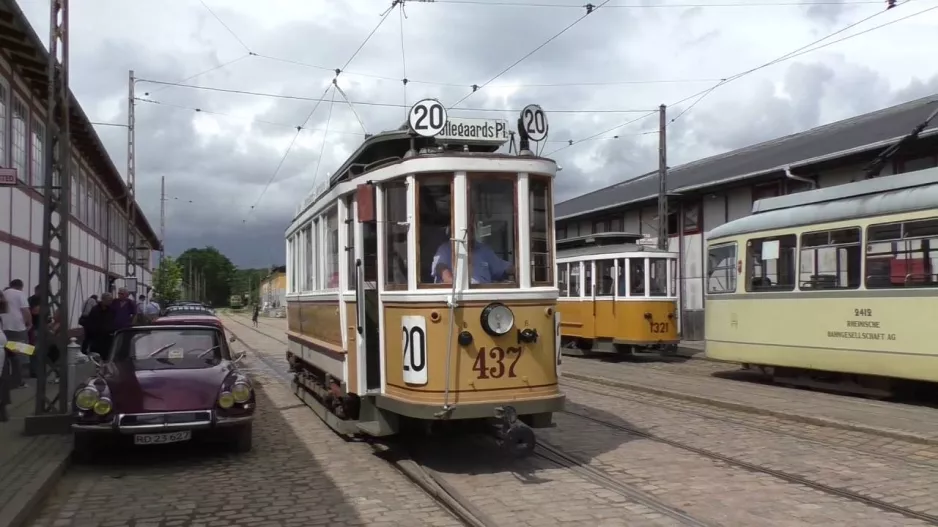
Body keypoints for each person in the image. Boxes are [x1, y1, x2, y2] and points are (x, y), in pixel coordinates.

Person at [431, 228, 514, 285]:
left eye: (471, 227)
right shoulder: (444, 250)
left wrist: (523, 271)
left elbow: (504, 268)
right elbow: (446, 277)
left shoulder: (483, 249)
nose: (469, 231)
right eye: (467, 228)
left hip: (486, 299)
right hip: (459, 299)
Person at [1, 279, 32, 388]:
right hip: (18, 328)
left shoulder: (3, 293)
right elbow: (25, 311)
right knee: (20, 356)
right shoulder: (20, 294)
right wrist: (29, 323)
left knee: (5, 355)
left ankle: (5, 379)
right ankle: (18, 381)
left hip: (3, 328)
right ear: (20, 287)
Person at [85, 293, 116, 360]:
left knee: (107, 356)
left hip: (108, 338)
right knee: (96, 356)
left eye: (111, 300)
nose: (110, 302)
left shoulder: (111, 310)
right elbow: (90, 323)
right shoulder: (95, 310)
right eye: (109, 300)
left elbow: (113, 321)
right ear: (103, 300)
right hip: (97, 338)